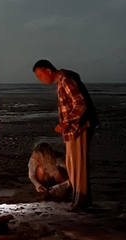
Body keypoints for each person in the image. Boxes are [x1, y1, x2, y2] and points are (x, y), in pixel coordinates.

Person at [32, 59, 99, 211]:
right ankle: (77, 199)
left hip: (79, 127)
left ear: (48, 71)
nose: (40, 80)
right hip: (72, 129)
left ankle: (81, 202)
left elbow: (80, 103)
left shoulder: (66, 80)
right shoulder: (61, 81)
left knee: (78, 165)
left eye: (40, 75)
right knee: (72, 164)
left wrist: (66, 122)